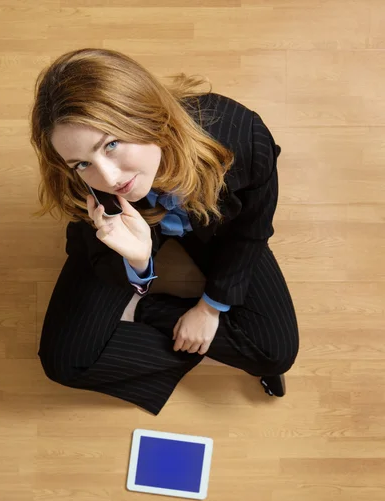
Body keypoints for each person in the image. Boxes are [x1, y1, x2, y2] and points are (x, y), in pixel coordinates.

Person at [29, 47, 299, 416]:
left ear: (148, 116)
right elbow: (100, 259)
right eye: (82, 163)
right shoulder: (89, 189)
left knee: (275, 354)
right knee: (65, 362)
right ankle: (144, 302)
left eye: (111, 144)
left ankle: (142, 310)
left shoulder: (243, 135)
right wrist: (139, 262)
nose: (109, 178)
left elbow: (253, 226)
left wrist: (209, 309)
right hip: (132, 227)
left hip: (212, 223)